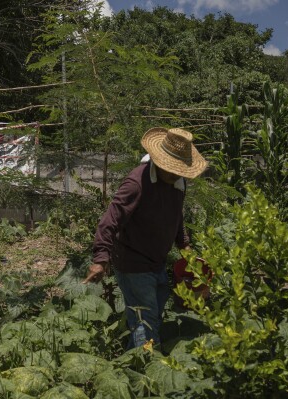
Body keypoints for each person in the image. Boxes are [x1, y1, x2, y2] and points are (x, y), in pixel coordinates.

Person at [82, 127, 208, 348]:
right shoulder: (137, 183)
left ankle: (134, 363)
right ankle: (148, 370)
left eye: (180, 170)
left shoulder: (178, 183)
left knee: (151, 318)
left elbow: (176, 213)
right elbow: (110, 220)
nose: (176, 174)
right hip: (133, 262)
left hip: (156, 262)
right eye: (172, 169)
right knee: (146, 322)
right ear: (158, 161)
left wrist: (184, 244)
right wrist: (100, 259)